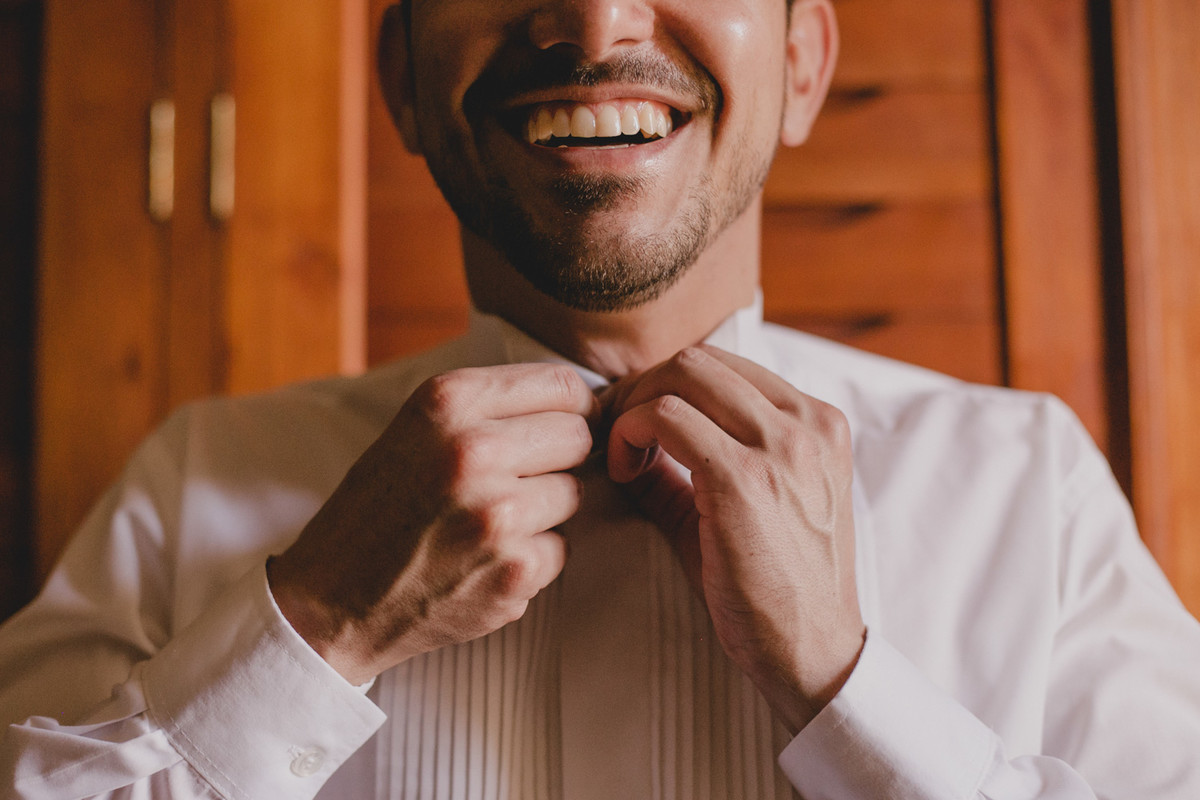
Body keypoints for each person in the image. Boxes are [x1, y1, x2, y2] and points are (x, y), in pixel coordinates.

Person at [3, 0, 1200, 797]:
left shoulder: (1029, 484)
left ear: (801, 64)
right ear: (403, 79)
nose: (593, 18)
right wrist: (313, 627)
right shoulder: (196, 482)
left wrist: (849, 687)